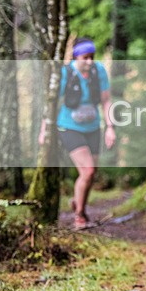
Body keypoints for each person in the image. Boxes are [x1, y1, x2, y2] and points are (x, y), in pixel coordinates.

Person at [39, 37, 115, 230]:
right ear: (76, 56)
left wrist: (110, 127)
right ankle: (79, 216)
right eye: (85, 57)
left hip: (93, 127)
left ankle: (78, 203)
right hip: (69, 126)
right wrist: (44, 129)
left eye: (92, 57)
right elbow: (51, 102)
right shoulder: (66, 73)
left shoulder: (99, 71)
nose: (89, 62)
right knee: (87, 170)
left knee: (91, 173)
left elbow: (106, 101)